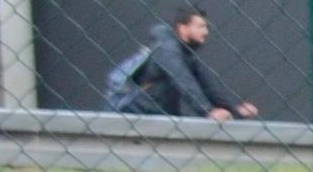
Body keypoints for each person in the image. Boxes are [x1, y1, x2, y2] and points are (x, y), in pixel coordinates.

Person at [99, 11, 253, 120]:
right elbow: (184, 81)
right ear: (183, 28)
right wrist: (208, 111)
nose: (205, 32)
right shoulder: (167, 49)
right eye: (200, 26)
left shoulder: (185, 54)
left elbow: (208, 85)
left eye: (206, 27)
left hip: (156, 114)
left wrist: (234, 109)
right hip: (134, 112)